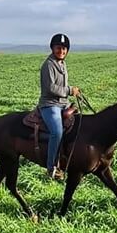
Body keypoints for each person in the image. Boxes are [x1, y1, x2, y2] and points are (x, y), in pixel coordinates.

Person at [38, 33, 80, 179]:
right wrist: (69, 90)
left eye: (63, 48)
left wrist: (72, 90)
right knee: (57, 132)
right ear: (52, 48)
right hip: (50, 105)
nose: (61, 51)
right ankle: (51, 168)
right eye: (58, 48)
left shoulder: (62, 63)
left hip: (62, 103)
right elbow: (51, 88)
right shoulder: (48, 65)